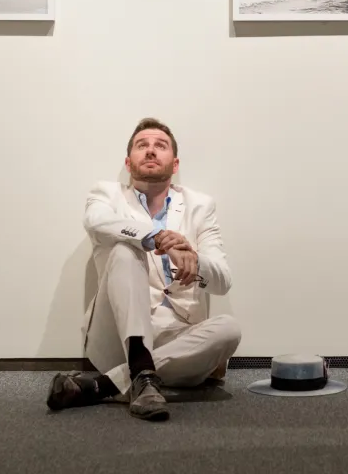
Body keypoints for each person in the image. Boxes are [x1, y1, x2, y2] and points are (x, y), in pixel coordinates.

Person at [46, 118, 241, 421]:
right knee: (126, 249)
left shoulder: (200, 206)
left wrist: (194, 259)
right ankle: (137, 366)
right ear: (128, 162)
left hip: (178, 339)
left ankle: (106, 384)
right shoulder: (106, 194)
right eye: (142, 146)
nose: (151, 151)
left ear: (174, 163)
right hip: (117, 338)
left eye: (160, 146)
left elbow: (223, 280)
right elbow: (96, 222)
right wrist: (156, 236)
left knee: (230, 330)